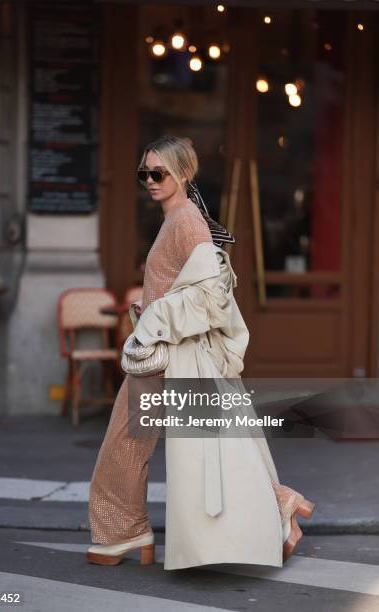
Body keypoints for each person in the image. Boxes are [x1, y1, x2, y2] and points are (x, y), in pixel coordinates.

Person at [87, 134, 314, 568]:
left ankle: (125, 530)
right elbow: (181, 284)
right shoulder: (177, 216)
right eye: (144, 173)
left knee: (140, 445)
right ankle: (279, 509)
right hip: (168, 351)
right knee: (216, 447)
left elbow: (213, 292)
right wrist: (149, 308)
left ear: (184, 174)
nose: (150, 181)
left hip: (173, 352)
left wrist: (154, 320)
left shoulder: (186, 220)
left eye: (159, 173)